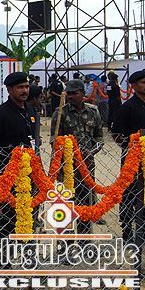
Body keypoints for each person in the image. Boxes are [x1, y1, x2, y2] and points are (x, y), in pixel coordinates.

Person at [0, 72, 38, 267]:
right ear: (10, 89)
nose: (24, 91)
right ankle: (5, 263)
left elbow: (35, 140)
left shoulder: (31, 110)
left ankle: (29, 260)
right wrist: (7, 155)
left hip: (31, 175)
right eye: (20, 87)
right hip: (9, 176)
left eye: (26, 87)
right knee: (7, 218)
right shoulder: (1, 114)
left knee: (30, 217)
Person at [50, 80, 104, 239]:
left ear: (83, 93)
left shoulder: (93, 112)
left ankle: (84, 241)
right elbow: (54, 141)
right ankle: (65, 243)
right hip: (66, 168)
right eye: (69, 93)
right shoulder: (60, 113)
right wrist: (71, 153)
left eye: (74, 93)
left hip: (87, 167)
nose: (71, 96)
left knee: (85, 202)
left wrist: (91, 152)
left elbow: (99, 138)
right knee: (65, 204)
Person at [111, 69, 145, 276]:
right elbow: (116, 134)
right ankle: (127, 233)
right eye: (143, 82)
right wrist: (133, 144)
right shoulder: (128, 107)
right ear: (134, 86)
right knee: (130, 199)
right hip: (133, 163)